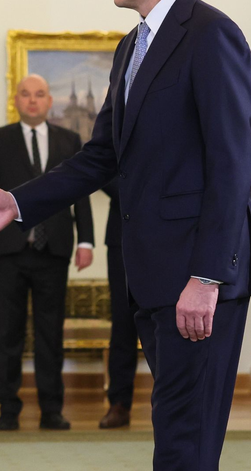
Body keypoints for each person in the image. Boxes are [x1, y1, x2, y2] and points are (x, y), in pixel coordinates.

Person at [0, 0, 251, 470]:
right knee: (176, 435)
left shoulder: (212, 34)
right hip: (153, 279)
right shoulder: (131, 48)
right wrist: (18, 202)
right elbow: (100, 157)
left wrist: (207, 275)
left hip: (198, 280)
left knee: (185, 442)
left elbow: (231, 165)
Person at [0, 76, 94, 431]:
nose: (32, 101)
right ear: (16, 100)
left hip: (53, 250)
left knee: (50, 334)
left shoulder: (68, 140)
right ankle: (8, 409)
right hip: (7, 251)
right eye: (25, 94)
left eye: (39, 94)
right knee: (7, 334)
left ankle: (51, 409)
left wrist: (85, 241)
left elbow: (80, 192)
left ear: (50, 100)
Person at [98, 179, 138, 429]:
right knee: (123, 322)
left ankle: (175, 405)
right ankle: (119, 403)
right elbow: (103, 171)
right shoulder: (117, 136)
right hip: (121, 236)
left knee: (171, 322)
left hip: (172, 233)